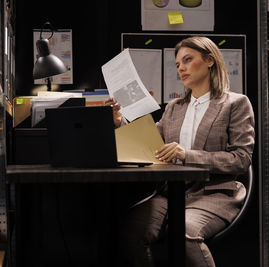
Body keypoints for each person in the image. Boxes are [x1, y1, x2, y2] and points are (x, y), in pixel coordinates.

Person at [105, 36, 255, 267]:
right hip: (171, 193)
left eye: (188, 60)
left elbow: (240, 160)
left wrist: (186, 154)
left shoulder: (235, 103)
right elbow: (149, 144)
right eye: (177, 64)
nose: (181, 68)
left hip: (214, 193)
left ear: (209, 60)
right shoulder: (175, 107)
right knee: (128, 230)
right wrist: (119, 121)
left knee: (183, 232)